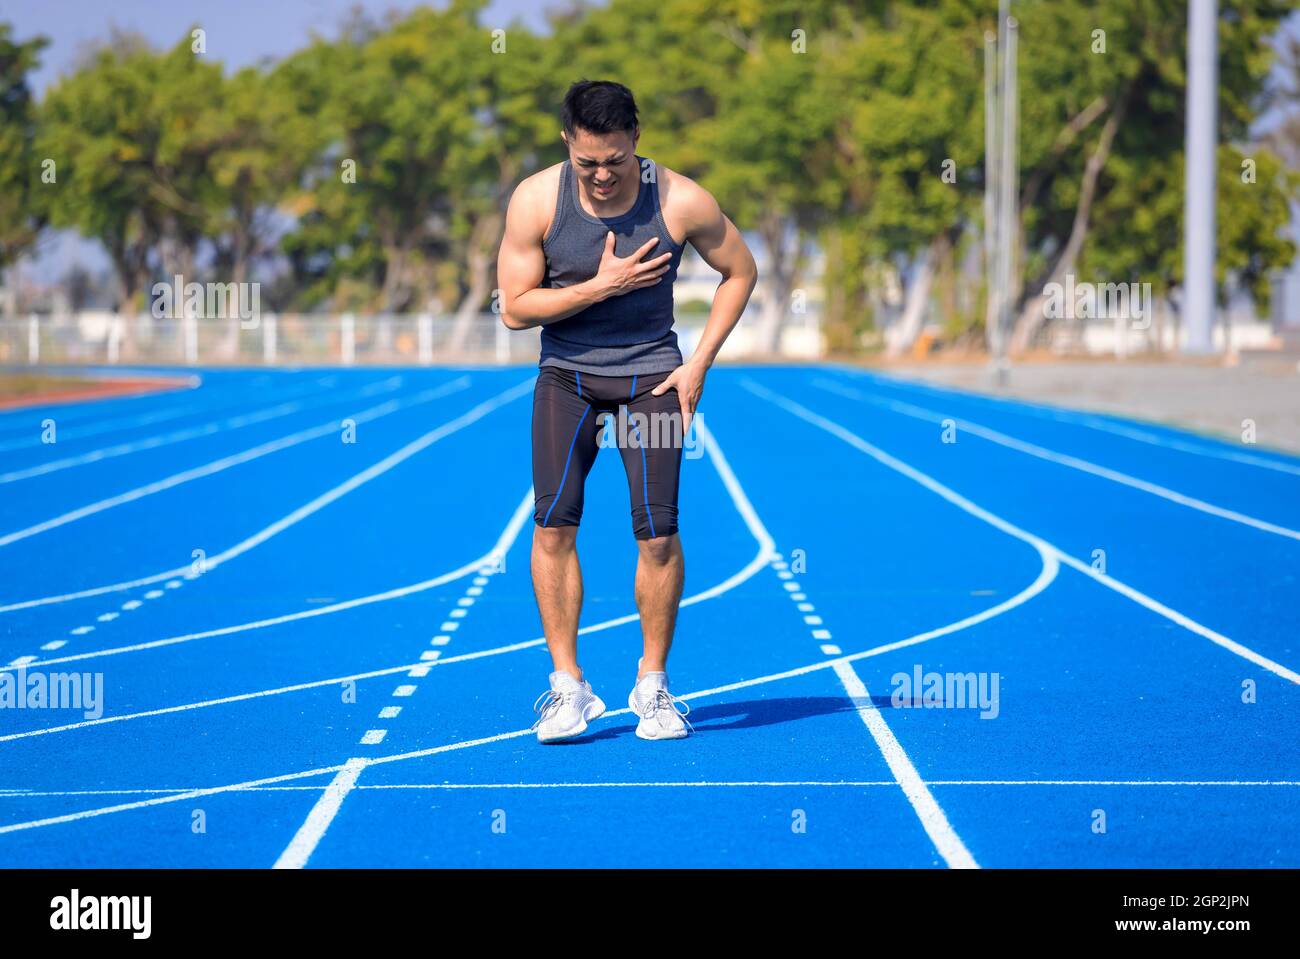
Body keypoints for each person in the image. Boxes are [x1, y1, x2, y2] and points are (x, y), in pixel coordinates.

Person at [497, 79, 757, 743]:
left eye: (614, 160)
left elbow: (742, 272)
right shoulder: (535, 200)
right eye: (587, 163)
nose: (602, 175)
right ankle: (568, 688)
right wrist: (599, 285)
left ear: (635, 141)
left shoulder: (680, 199)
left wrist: (698, 364)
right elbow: (516, 307)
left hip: (653, 378)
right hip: (567, 375)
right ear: (568, 146)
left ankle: (654, 685)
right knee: (553, 524)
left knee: (659, 533)